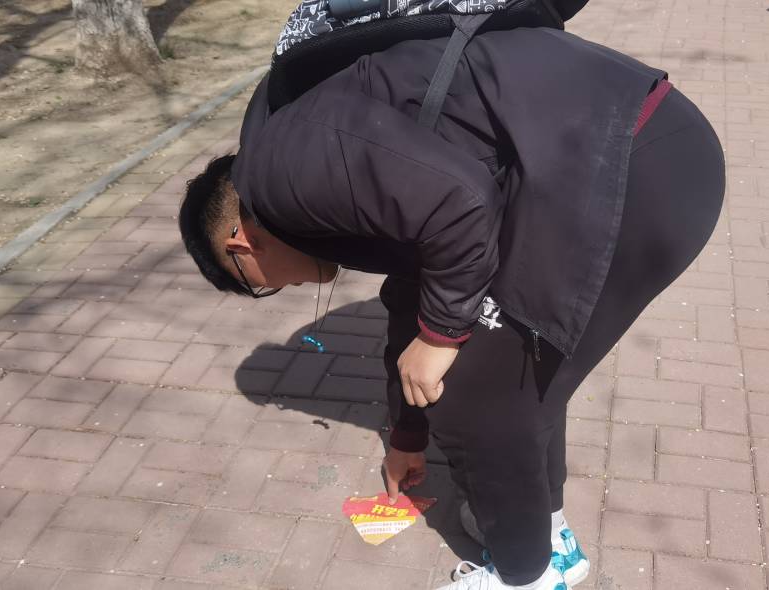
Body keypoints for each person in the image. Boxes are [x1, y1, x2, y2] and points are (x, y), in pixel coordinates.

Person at [179, 25, 724, 590]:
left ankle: (524, 576)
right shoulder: (305, 163)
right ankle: (546, 536)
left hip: (633, 163)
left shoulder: (276, 175)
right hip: (630, 151)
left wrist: (440, 338)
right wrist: (407, 435)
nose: (285, 288)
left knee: (476, 394)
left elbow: (461, 204)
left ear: (240, 246)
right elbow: (412, 288)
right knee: (522, 367)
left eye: (258, 286)